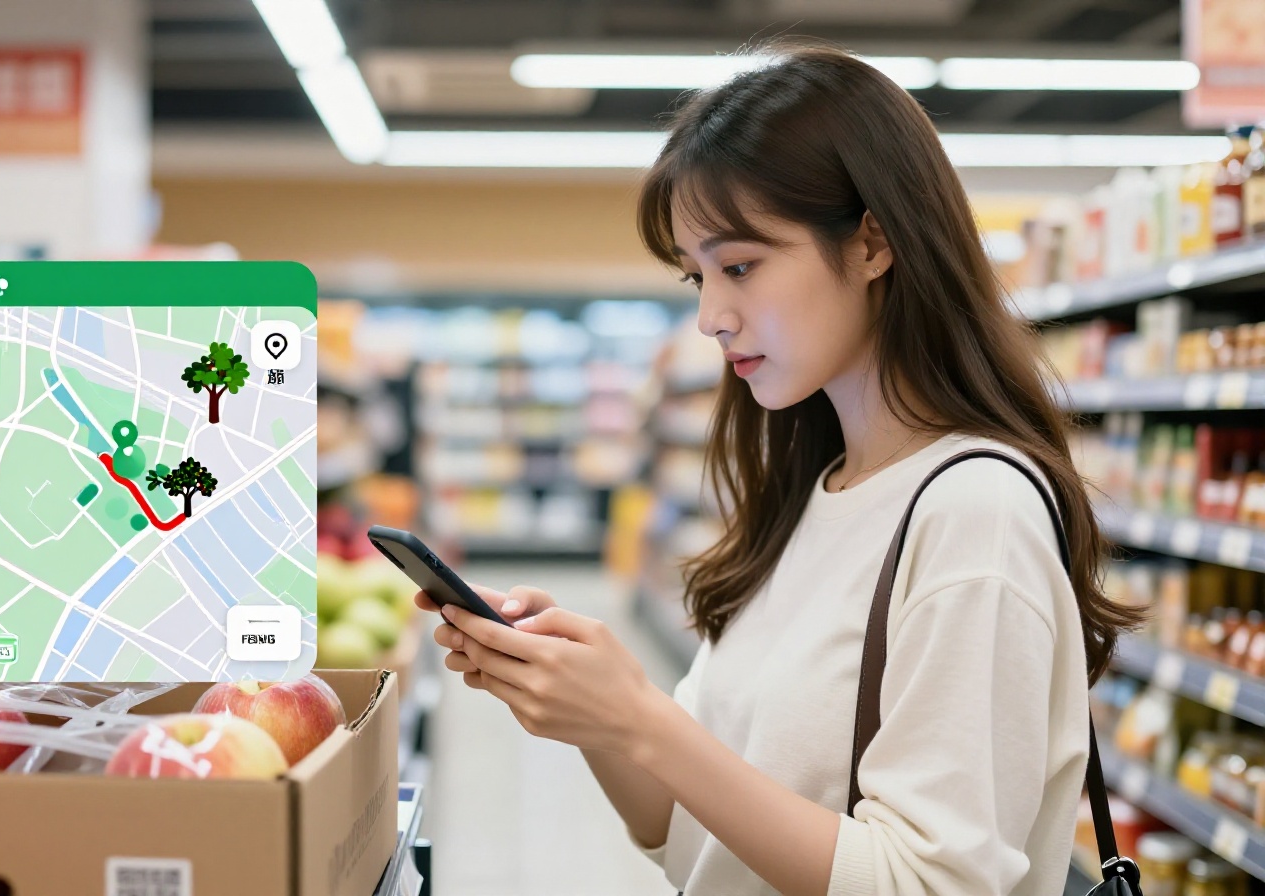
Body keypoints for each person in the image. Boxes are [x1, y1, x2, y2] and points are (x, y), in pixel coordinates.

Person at [415, 45, 1140, 896]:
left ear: (872, 242)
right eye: (696, 276)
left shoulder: (974, 513)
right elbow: (684, 837)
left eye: (739, 267)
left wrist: (645, 721)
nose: (709, 317)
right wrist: (596, 713)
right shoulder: (813, 492)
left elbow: (929, 884)